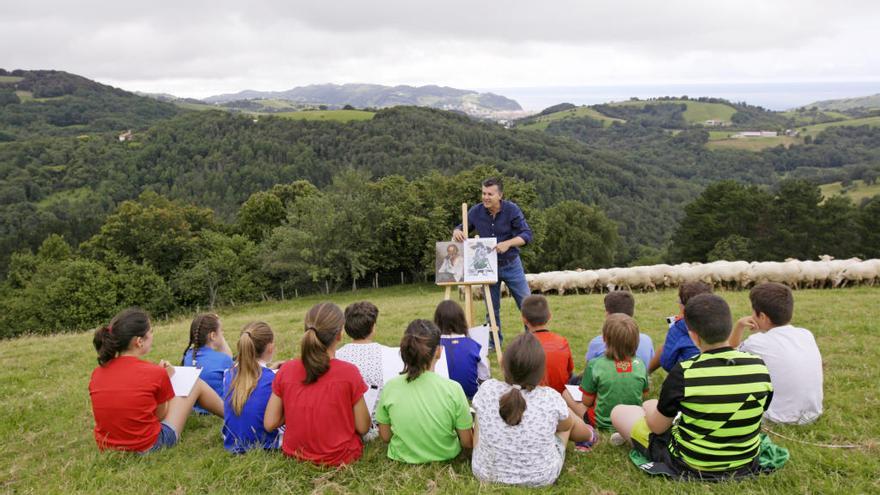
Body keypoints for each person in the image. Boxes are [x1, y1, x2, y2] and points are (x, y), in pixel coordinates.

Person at [610, 294, 774, 478]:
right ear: (729, 329)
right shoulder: (758, 365)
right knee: (652, 406)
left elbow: (657, 428)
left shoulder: (684, 372)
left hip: (690, 462)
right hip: (745, 462)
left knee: (620, 412)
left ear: (693, 336)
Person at [89, 308, 223, 452]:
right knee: (195, 383)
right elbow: (161, 415)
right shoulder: (155, 373)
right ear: (139, 341)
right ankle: (233, 416)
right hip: (149, 446)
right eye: (151, 331)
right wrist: (164, 378)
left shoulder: (97, 373)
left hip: (108, 447)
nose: (153, 335)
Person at [471, 333, 594, 487]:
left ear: (503, 364)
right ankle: (589, 435)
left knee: (479, 413)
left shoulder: (487, 389)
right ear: (541, 372)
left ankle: (483, 452)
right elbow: (565, 426)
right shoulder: (550, 397)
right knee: (565, 418)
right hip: (540, 477)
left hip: (485, 472)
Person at [264, 303, 371, 466]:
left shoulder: (286, 370)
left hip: (295, 455)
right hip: (341, 457)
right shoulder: (349, 372)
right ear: (340, 334)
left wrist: (297, 406)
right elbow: (363, 427)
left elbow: (270, 423)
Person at [375, 320, 474, 464]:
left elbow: (385, 437)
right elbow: (467, 442)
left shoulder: (390, 387)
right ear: (438, 352)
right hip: (446, 455)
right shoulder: (453, 388)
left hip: (400, 456)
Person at [729, 282, 823, 424]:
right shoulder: (805, 334)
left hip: (776, 417)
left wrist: (739, 325)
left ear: (762, 317)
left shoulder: (757, 342)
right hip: (812, 414)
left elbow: (727, 354)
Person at [453, 177, 532, 343]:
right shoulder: (475, 211)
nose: (485, 197)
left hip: (511, 264)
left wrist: (508, 243)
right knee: (491, 308)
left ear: (500, 195)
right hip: (487, 268)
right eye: (483, 193)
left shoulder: (512, 210)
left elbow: (526, 235)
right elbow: (462, 226)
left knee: (527, 304)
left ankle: (532, 339)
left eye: (490, 194)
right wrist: (457, 231)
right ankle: (494, 341)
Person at [580, 314, 649, 432]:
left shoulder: (594, 365)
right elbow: (644, 395)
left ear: (604, 338)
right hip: (632, 421)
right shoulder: (641, 364)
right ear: (636, 340)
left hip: (601, 423)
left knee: (567, 394)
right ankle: (621, 430)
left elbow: (586, 401)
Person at [221, 322, 281, 454]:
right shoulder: (274, 379)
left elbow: (251, 380)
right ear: (270, 347)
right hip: (269, 444)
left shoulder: (228, 374)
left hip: (232, 443)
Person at [336, 301, 388, 441]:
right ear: (373, 327)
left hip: (346, 423)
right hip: (380, 423)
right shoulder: (387, 354)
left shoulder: (336, 356)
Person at [647, 281, 711, 374]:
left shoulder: (678, 328)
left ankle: (645, 375)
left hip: (686, 380)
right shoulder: (718, 323)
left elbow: (667, 363)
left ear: (683, 306)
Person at [433, 300, 490, 399]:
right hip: (471, 394)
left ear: (437, 321)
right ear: (461, 320)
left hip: (440, 394)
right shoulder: (474, 346)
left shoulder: (433, 347)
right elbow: (485, 376)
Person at [584, 291, 655, 366]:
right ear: (632, 313)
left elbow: (589, 369)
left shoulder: (597, 342)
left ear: (607, 314)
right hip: (639, 376)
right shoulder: (647, 340)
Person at [181, 313, 233, 413]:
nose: (222, 333)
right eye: (221, 331)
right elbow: (229, 359)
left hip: (196, 409)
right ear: (213, 336)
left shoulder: (188, 355)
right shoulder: (223, 359)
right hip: (218, 408)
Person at [521, 295, 573, 395]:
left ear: (524, 319)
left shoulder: (520, 345)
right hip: (559, 395)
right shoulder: (562, 341)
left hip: (531, 396)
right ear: (549, 316)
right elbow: (569, 371)